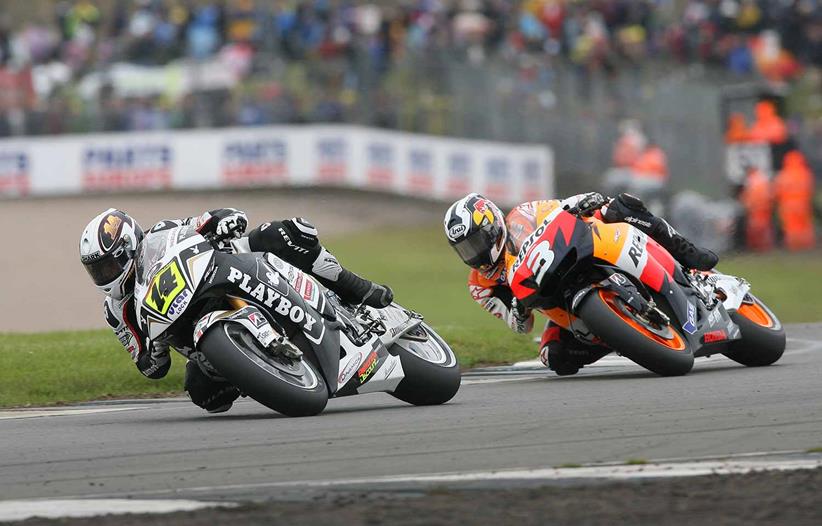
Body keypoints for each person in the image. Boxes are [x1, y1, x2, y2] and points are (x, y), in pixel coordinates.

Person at [79, 208, 393, 413]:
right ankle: (262, 368)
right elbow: (149, 368)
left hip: (226, 271)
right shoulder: (116, 310)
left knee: (284, 233)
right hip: (202, 340)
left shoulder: (162, 233)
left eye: (109, 265)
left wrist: (224, 220)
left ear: (131, 247)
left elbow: (203, 222)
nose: (105, 275)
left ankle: (356, 287)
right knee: (204, 396)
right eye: (97, 271)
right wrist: (157, 349)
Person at [443, 192, 718, 376]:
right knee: (554, 358)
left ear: (493, 226)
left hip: (584, 249)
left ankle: (686, 252)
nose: (475, 254)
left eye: (476, 242)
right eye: (465, 250)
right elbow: (520, 327)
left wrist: (584, 201)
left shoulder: (522, 215)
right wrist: (518, 310)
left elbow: (560, 208)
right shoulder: (481, 285)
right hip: (558, 303)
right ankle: (619, 333)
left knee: (619, 206)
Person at [774, 150, 816, 250]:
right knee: (804, 225)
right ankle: (807, 246)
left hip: (788, 205)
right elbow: (811, 190)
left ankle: (794, 246)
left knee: (791, 226)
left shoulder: (783, 175)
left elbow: (777, 192)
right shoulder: (805, 174)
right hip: (803, 205)